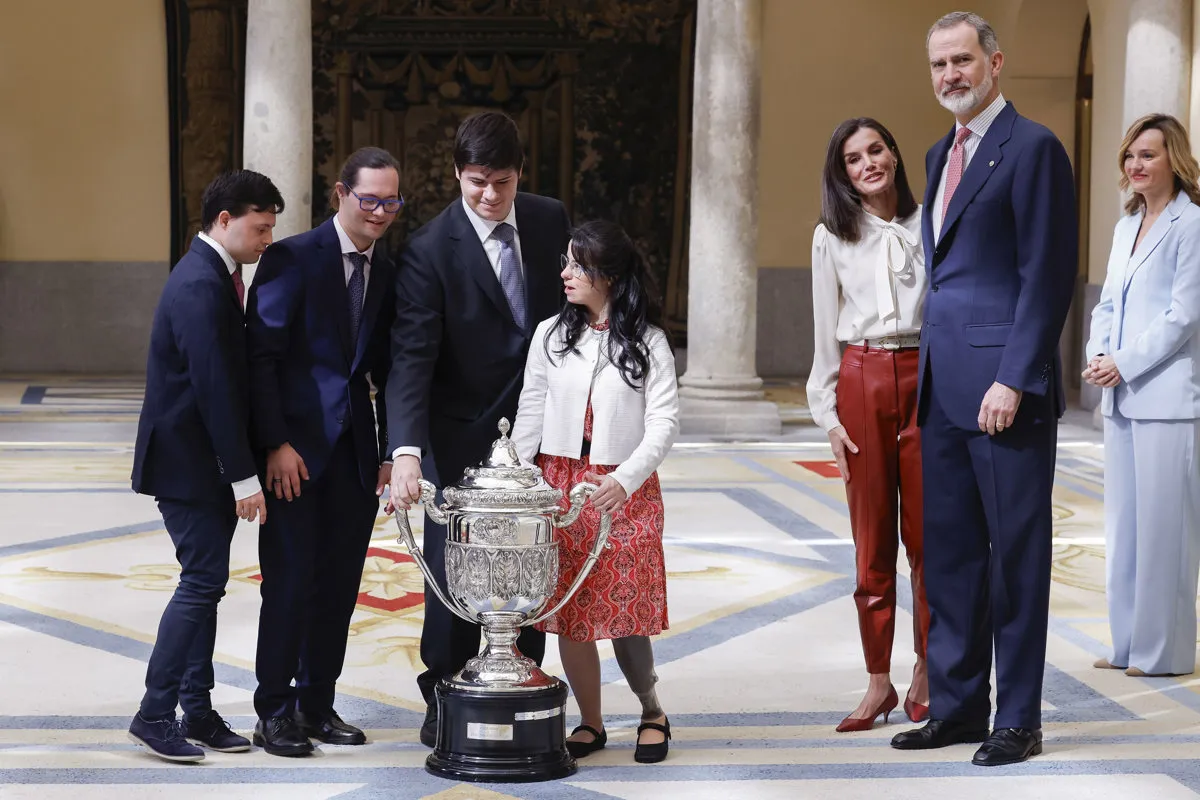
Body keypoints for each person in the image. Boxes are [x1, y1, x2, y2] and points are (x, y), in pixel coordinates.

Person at [889, 12, 1077, 766]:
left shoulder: (1032, 149)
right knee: (954, 557)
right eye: (939, 65)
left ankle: (1019, 718)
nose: (950, 76)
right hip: (943, 390)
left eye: (963, 60)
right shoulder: (940, 154)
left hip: (1006, 393)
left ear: (996, 63)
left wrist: (1014, 376)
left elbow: (1047, 274)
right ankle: (960, 706)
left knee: (1017, 558)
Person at [386, 110, 572, 748]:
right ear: (457, 175)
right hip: (458, 433)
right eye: (475, 182)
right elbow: (412, 356)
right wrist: (406, 450)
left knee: (534, 558)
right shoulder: (429, 250)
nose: (489, 195)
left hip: (540, 431)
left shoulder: (550, 221)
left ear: (520, 174)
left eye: (501, 181)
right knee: (454, 569)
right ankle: (442, 692)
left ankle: (521, 680)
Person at [244, 147, 401, 756]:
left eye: (391, 201)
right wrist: (275, 442)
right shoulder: (292, 256)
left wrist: (390, 449)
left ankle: (316, 703)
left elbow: (385, 371)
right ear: (341, 194)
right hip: (296, 453)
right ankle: (273, 709)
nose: (381, 212)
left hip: (356, 456)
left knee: (338, 584)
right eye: (370, 199)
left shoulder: (384, 271)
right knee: (288, 582)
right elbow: (262, 357)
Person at [511, 219, 678, 763]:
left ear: (607, 274)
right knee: (573, 613)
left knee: (625, 613)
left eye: (578, 265)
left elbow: (664, 423)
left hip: (622, 490)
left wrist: (624, 479)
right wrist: (516, 481)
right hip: (560, 490)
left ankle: (652, 711)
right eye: (565, 262)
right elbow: (529, 414)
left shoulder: (649, 340)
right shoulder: (550, 335)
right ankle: (591, 722)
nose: (565, 273)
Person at [129, 170, 281, 762]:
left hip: (202, 462)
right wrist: (244, 478)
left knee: (207, 584)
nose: (267, 238)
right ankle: (153, 712)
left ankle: (197, 709)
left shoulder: (218, 274)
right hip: (189, 465)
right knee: (201, 583)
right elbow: (214, 388)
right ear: (226, 219)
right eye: (260, 227)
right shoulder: (198, 283)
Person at [807, 118, 930, 732]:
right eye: (853, 159)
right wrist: (828, 416)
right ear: (843, 172)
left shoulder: (931, 221)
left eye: (876, 149)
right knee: (871, 546)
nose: (868, 164)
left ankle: (927, 670)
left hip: (927, 376)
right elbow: (824, 335)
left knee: (931, 543)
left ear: (895, 152)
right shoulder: (832, 237)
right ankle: (879, 681)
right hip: (862, 377)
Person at [1084, 113, 1200, 679]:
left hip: (1167, 397)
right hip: (1122, 395)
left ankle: (1165, 652)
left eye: (1147, 155)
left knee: (1165, 531)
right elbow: (1107, 302)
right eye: (1130, 155)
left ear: (1173, 160)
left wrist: (1123, 363)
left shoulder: (1193, 224)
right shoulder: (1125, 225)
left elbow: (1183, 316)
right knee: (1125, 528)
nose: (1135, 165)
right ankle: (1128, 644)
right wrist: (1097, 353)